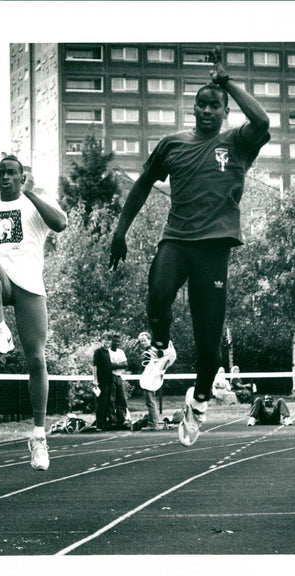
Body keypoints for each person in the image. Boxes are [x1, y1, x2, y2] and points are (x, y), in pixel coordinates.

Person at [108, 46, 270, 447]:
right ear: (193, 110)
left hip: (214, 250)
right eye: (201, 105)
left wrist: (226, 81)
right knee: (158, 292)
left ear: (224, 111)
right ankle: (161, 349)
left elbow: (263, 119)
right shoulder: (173, 144)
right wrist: (120, 230)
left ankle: (197, 405)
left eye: (215, 106)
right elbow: (143, 184)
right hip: (177, 239)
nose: (207, 111)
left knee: (211, 349)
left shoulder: (238, 143)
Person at [0, 156, 67, 471]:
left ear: (21, 176)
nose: (5, 177)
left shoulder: (35, 201)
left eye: (11, 173)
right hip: (3, 279)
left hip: (30, 286)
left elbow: (61, 224)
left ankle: (38, 437)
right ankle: (1, 330)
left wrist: (29, 194)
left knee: (37, 360)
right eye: (0, 172)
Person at [92, 334, 129, 430]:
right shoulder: (102, 351)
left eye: (118, 342)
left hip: (116, 378)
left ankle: (120, 421)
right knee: (108, 402)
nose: (116, 343)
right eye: (113, 341)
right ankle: (110, 422)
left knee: (121, 400)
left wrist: (113, 365)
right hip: (108, 378)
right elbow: (100, 365)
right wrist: (95, 379)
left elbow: (125, 364)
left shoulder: (119, 352)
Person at [137, 331, 163, 430]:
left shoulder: (152, 351)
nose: (143, 343)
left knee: (150, 401)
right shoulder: (149, 351)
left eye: (144, 340)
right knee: (151, 401)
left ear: (149, 340)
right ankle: (153, 422)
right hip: (150, 378)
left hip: (150, 379)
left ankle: (153, 424)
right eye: (141, 341)